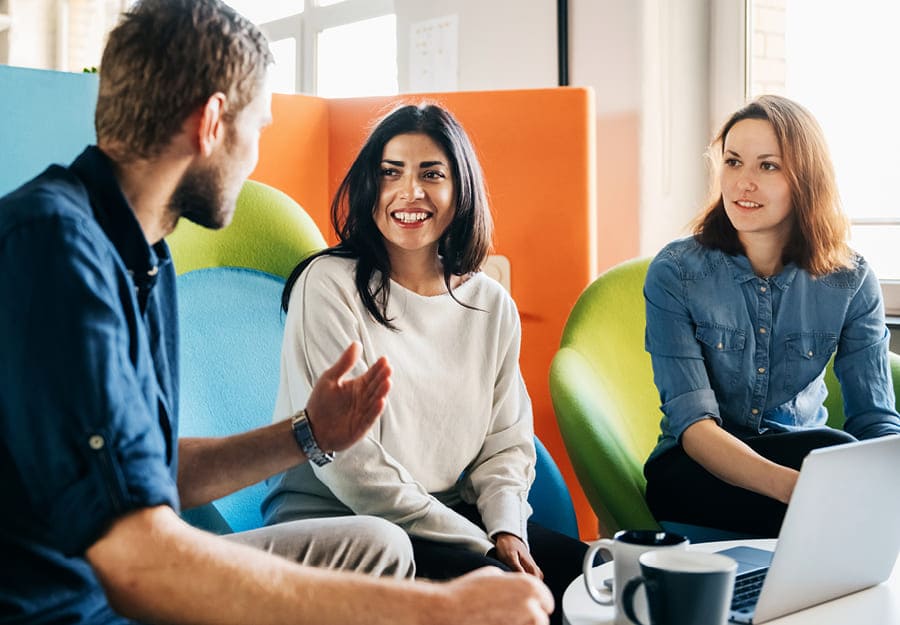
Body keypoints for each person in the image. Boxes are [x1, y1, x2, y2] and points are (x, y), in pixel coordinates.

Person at [0, 2, 553, 624]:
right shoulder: (55, 248)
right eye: (258, 127)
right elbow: (135, 562)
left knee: (375, 546)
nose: (257, 155)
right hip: (72, 607)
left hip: (115, 577)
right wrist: (438, 610)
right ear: (212, 123)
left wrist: (308, 433)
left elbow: (146, 474)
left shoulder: (138, 255)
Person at [264, 102, 587, 625]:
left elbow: (506, 442)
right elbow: (348, 463)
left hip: (449, 516)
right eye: (390, 173)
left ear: (461, 191)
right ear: (370, 186)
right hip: (344, 521)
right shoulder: (326, 285)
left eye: (431, 174)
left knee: (593, 581)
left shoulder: (490, 304)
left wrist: (506, 529)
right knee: (518, 604)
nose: (408, 192)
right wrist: (477, 544)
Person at [642, 94, 900, 538]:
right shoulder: (675, 273)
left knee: (835, 452)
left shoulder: (851, 279)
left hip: (802, 456)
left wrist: (875, 486)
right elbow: (694, 427)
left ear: (806, 180)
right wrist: (800, 491)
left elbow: (875, 422)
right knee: (829, 453)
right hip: (697, 468)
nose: (743, 182)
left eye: (767, 166)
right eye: (733, 162)